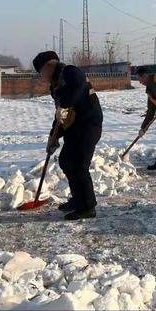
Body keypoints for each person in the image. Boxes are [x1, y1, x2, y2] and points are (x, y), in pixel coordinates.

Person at [32, 51, 103, 220]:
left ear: (49, 65)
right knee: (66, 161)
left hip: (88, 125)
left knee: (79, 165)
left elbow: (78, 88)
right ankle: (78, 200)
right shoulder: (55, 85)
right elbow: (60, 115)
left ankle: (87, 207)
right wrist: (53, 137)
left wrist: (66, 104)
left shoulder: (70, 71)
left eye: (41, 72)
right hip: (74, 127)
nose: (41, 76)